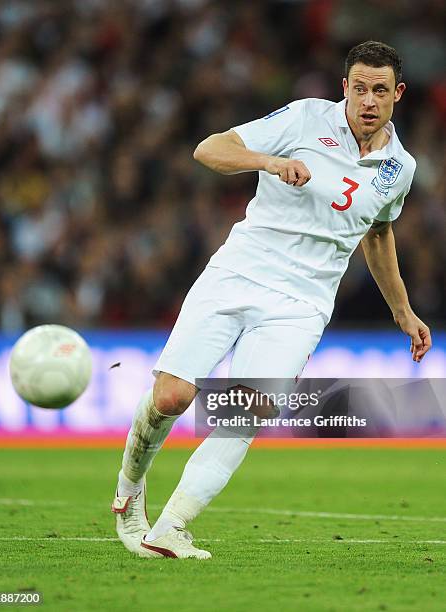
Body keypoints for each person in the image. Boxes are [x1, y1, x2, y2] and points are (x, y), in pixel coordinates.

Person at [110, 41, 432, 559]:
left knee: (246, 410)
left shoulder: (400, 167)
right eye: (358, 88)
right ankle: (128, 492)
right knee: (171, 398)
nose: (367, 100)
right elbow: (208, 149)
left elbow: (378, 234)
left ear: (397, 94)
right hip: (238, 272)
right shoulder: (304, 119)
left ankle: (170, 527)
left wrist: (403, 310)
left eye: (379, 90)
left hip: (301, 304)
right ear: (342, 87)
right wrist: (271, 162)